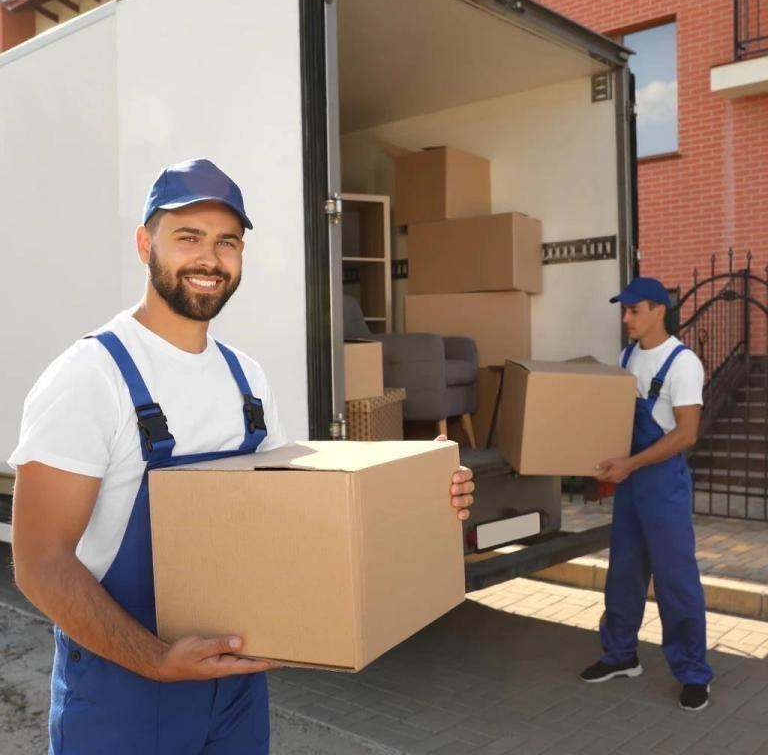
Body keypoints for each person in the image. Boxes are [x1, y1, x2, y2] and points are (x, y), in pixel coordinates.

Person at [10, 158, 476, 754]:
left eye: (226, 242)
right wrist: (155, 661)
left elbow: (293, 511)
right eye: (189, 237)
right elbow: (40, 562)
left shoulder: (245, 378)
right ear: (144, 244)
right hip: (125, 690)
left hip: (236, 689)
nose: (210, 259)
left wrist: (420, 494)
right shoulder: (91, 377)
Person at [580, 276, 713, 712]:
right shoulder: (627, 357)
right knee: (623, 573)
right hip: (630, 483)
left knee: (675, 581)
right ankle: (621, 655)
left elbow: (687, 434)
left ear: (659, 310)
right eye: (625, 310)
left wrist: (631, 464)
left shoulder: (683, 364)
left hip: (663, 485)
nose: (626, 318)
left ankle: (693, 674)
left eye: (634, 310)